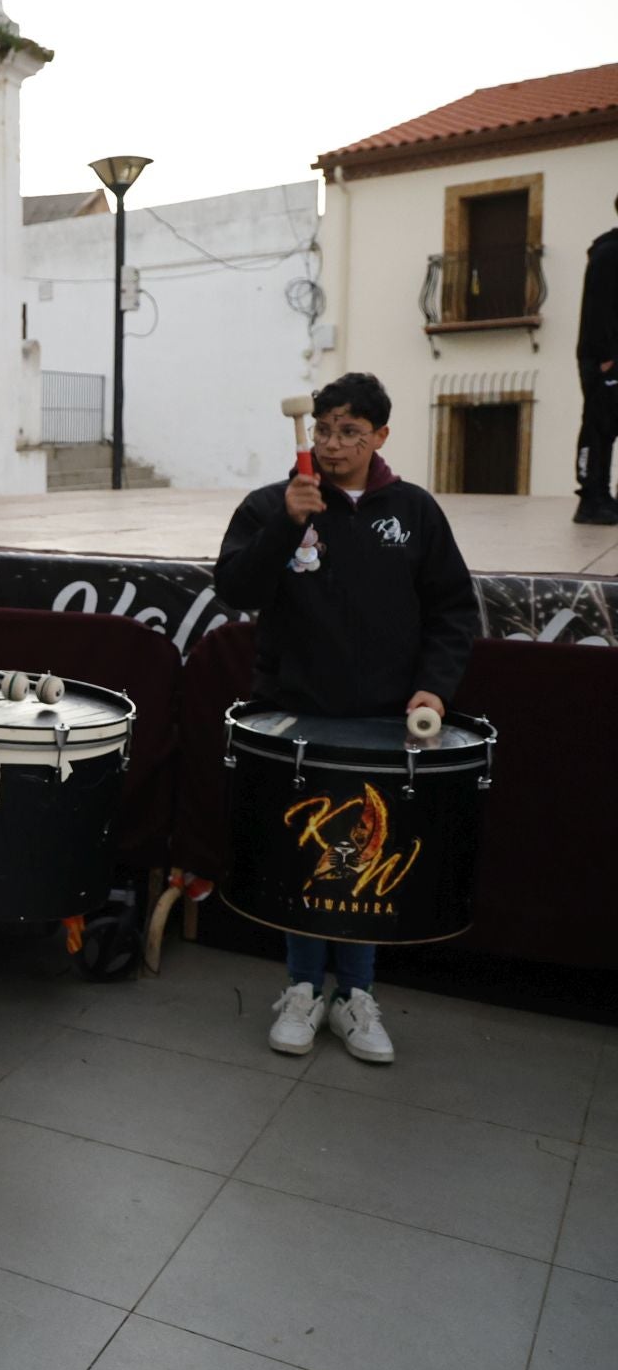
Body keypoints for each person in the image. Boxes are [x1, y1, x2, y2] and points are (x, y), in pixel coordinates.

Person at [214, 372, 477, 1065]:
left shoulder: (413, 511)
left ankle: (356, 996)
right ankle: (302, 989)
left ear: (381, 436)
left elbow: (452, 609)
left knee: (364, 860)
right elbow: (234, 589)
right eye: (324, 429)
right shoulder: (273, 503)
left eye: (350, 432)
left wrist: (433, 690)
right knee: (311, 856)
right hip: (295, 716)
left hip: (383, 723)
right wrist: (287, 523)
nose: (331, 444)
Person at [573, 195, 618, 525]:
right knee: (599, 428)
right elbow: (599, 308)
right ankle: (591, 499)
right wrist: (605, 357)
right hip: (604, 359)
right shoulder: (608, 252)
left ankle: (603, 496)